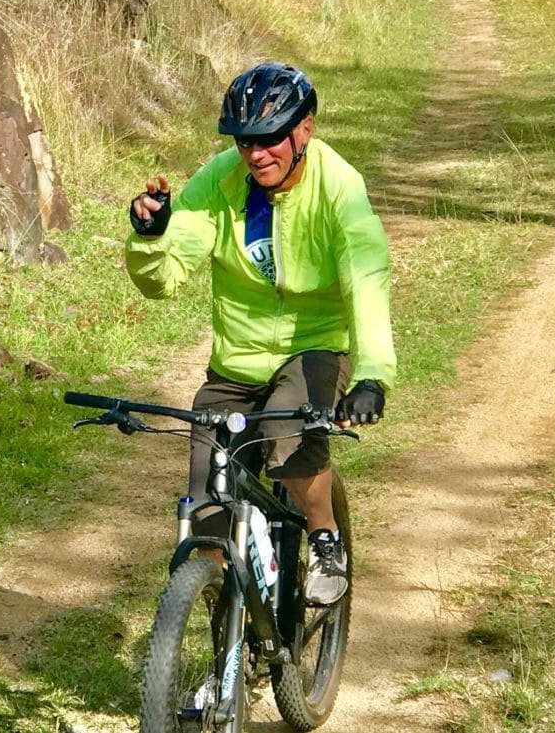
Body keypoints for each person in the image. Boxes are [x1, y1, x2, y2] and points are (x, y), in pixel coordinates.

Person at [126, 62, 395, 605]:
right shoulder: (220, 181)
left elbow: (366, 279)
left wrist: (371, 376)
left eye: (270, 139)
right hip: (237, 361)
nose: (256, 154)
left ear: (304, 130)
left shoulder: (338, 187)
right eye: (245, 141)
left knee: (289, 445)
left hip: (314, 347)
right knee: (206, 509)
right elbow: (165, 279)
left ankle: (324, 542)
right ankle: (227, 630)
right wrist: (152, 238)